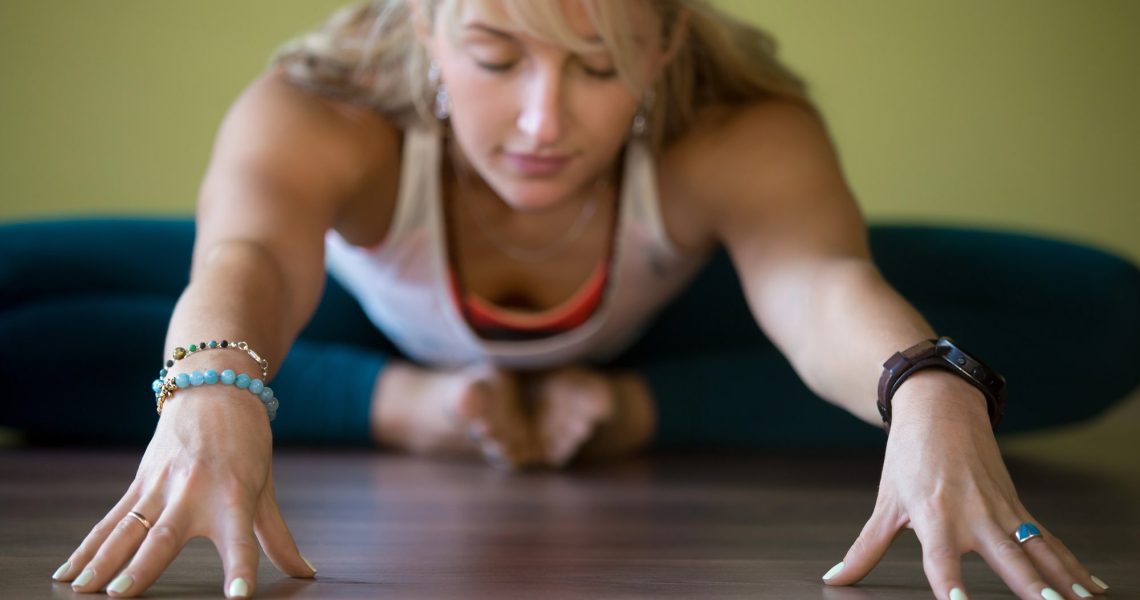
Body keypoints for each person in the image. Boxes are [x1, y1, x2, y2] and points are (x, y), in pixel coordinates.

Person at [1, 0, 1133, 598]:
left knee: (1102, 312)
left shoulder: (736, 125)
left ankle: (633, 405)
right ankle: (401, 401)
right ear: (423, 24)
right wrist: (216, 385)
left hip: (674, 317)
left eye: (598, 68)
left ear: (669, 41)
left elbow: (822, 285)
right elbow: (247, 249)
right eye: (496, 54)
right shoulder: (321, 105)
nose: (545, 125)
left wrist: (929, 386)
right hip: (340, 315)